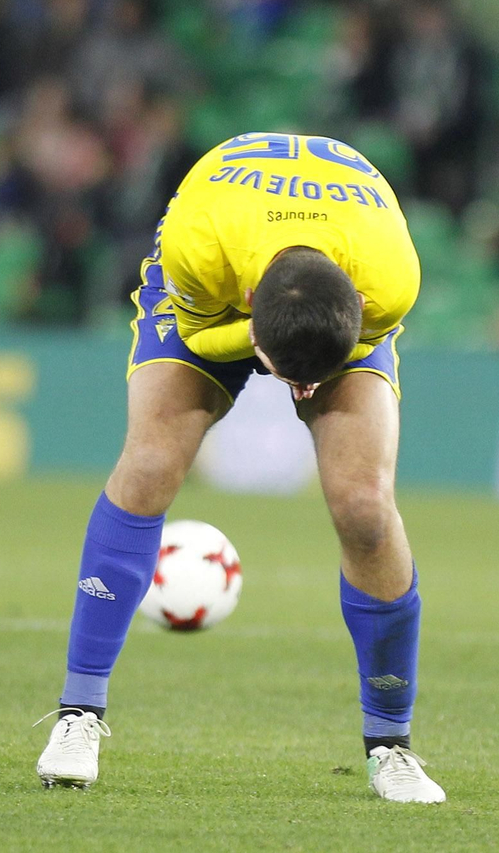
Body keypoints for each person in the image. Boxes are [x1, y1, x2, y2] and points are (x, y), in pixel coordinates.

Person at [34, 132, 446, 803]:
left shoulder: (390, 278)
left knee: (365, 507)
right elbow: (200, 338)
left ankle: (392, 745)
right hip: (213, 295)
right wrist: (261, 346)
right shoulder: (198, 246)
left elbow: (348, 338)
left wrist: (314, 366)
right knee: (149, 464)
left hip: (326, 283)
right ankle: (78, 714)